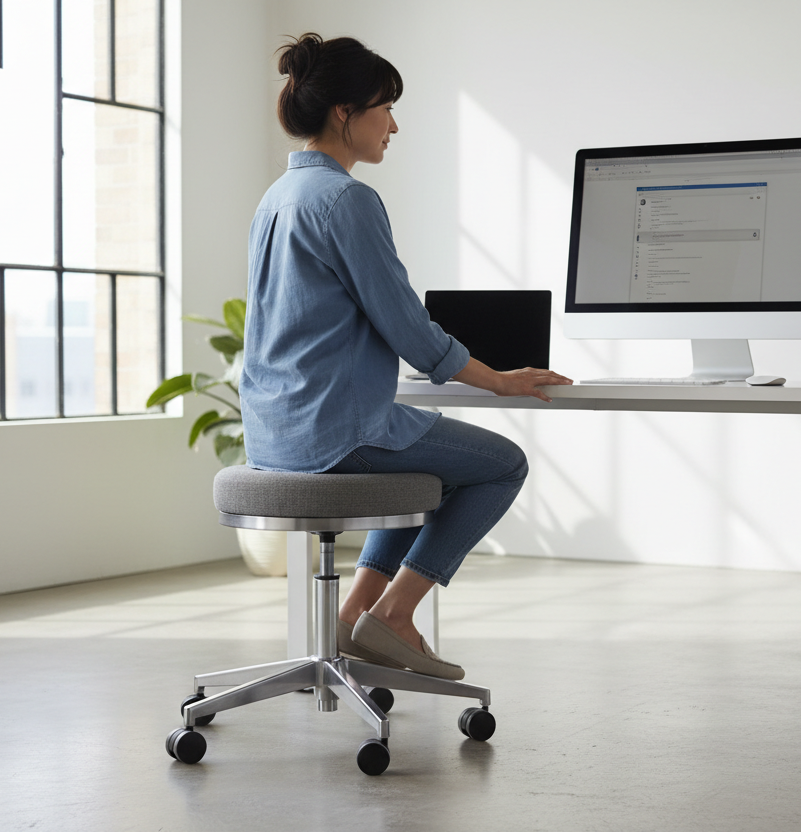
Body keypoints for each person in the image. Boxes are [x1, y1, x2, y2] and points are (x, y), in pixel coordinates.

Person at [241, 34, 572, 682]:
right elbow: (408, 330)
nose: (394, 125)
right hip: (335, 431)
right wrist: (499, 382)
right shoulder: (346, 200)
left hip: (277, 432)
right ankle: (393, 614)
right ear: (344, 112)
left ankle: (358, 613)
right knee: (503, 463)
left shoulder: (276, 198)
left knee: (435, 467)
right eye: (384, 107)